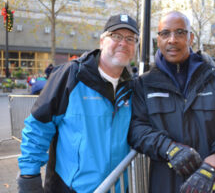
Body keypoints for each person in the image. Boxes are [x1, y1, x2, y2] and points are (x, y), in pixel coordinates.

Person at [128, 11, 215, 193]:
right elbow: (136, 128)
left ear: (190, 38)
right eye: (165, 33)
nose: (172, 39)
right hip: (167, 185)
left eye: (180, 32)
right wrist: (168, 148)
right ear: (158, 39)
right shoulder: (143, 85)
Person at [17, 14, 139, 193]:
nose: (123, 43)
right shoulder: (71, 75)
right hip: (70, 188)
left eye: (130, 39)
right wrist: (29, 177)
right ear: (102, 41)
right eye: (116, 36)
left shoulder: (132, 87)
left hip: (117, 187)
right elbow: (38, 127)